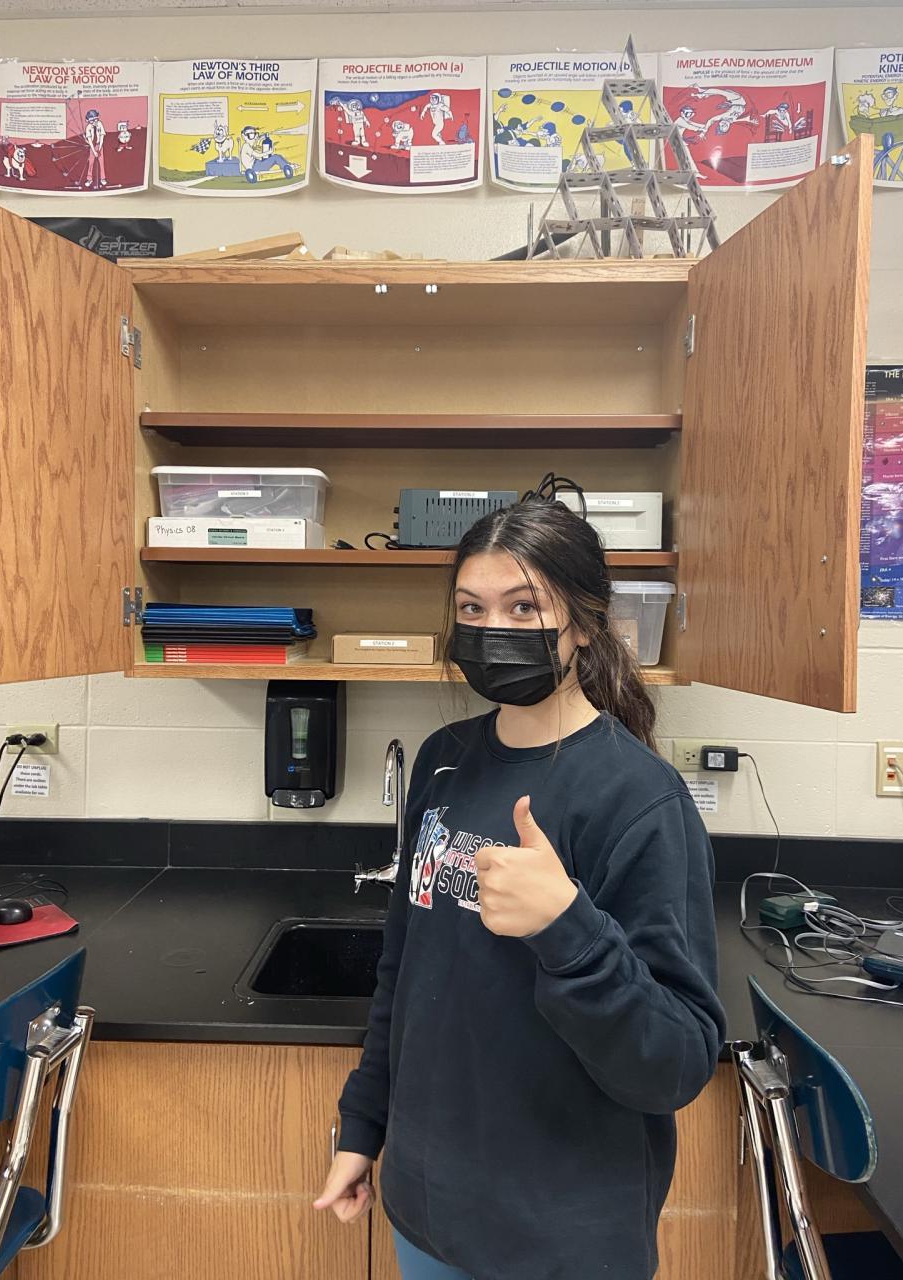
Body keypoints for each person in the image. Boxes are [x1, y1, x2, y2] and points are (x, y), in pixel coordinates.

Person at [314, 500, 725, 1280]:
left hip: (561, 1239)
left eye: (523, 607)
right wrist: (363, 1127)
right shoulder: (443, 761)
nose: (490, 629)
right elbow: (402, 973)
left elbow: (674, 1063)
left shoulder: (640, 801)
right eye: (472, 609)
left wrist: (568, 927)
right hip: (426, 1214)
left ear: (584, 624)